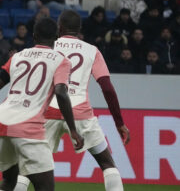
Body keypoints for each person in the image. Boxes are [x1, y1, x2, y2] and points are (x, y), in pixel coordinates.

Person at [13, 10, 130, 191]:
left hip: (47, 113)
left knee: (27, 168)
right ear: (79, 29)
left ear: (59, 27)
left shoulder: (48, 47)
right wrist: (119, 123)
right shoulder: (92, 51)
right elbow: (107, 87)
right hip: (80, 113)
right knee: (107, 163)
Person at [0, 17, 84, 191]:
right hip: (29, 127)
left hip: (3, 123)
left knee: (9, 181)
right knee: (46, 187)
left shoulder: (17, 56)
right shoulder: (61, 61)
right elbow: (61, 93)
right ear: (57, 37)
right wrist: (72, 129)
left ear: (33, 36)